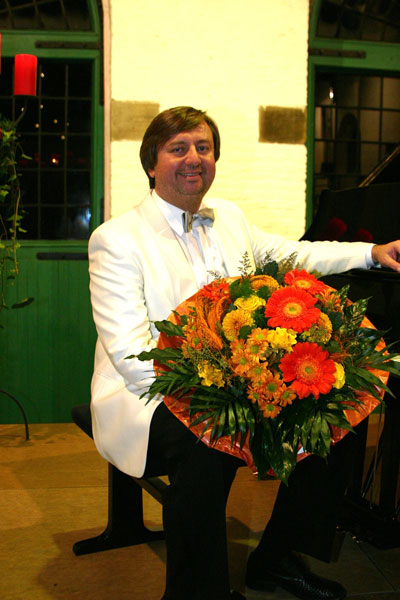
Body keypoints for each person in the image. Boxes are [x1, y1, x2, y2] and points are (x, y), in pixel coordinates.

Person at [88, 106, 400, 600]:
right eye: (178, 148)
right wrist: (225, 397)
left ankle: (277, 558)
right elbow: (130, 355)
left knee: (341, 412)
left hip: (239, 382)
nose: (194, 158)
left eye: (204, 147)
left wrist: (370, 252)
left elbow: (295, 254)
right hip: (148, 395)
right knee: (206, 442)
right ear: (151, 163)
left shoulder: (229, 217)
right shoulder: (115, 240)